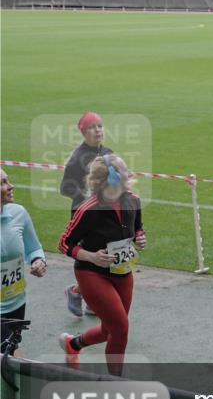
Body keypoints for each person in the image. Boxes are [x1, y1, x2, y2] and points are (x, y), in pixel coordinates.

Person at [57, 155, 145, 375]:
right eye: (125, 170)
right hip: (92, 274)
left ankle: (73, 344)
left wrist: (140, 237)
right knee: (121, 329)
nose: (130, 173)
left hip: (123, 272)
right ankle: (116, 383)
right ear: (113, 178)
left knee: (111, 330)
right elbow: (64, 243)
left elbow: (137, 229)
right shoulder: (88, 209)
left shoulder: (133, 200)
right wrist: (91, 256)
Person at [60, 111, 113, 317]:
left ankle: (88, 298)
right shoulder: (77, 158)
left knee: (105, 254)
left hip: (106, 213)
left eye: (100, 126)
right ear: (84, 132)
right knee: (91, 255)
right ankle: (76, 292)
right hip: (84, 215)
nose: (98, 130)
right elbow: (65, 188)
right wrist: (88, 195)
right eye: (92, 127)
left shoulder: (108, 152)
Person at [1, 169, 46, 356]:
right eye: (3, 183)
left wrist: (38, 259)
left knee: (10, 351)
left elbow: (34, 247)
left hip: (17, 302)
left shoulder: (19, 213)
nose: (11, 186)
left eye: (8, 180)